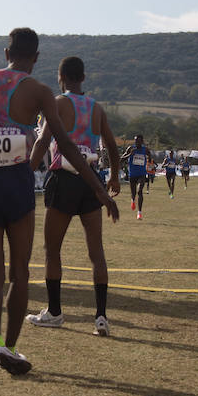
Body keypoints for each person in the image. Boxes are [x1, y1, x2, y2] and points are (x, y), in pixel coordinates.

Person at [0, 29, 119, 375]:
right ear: (37, 57)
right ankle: (11, 348)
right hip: (16, 183)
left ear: (6, 52)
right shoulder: (41, 92)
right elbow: (65, 144)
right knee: (20, 272)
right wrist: (101, 191)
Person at [25, 56, 120, 335]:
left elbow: (43, 141)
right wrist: (113, 175)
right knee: (96, 252)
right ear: (84, 77)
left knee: (52, 249)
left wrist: (25, 173)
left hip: (63, 180)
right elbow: (112, 145)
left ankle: (54, 312)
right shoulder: (96, 108)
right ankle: (101, 316)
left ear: (60, 76)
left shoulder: (58, 103)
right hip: (92, 181)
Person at [120, 134, 149, 220]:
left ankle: (139, 213)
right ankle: (133, 200)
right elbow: (121, 159)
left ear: (142, 142)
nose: (136, 143)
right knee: (133, 194)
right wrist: (129, 155)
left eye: (138, 141)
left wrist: (150, 161)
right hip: (132, 175)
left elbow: (150, 156)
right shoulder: (130, 149)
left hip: (142, 174)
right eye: (135, 141)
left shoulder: (145, 150)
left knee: (139, 191)